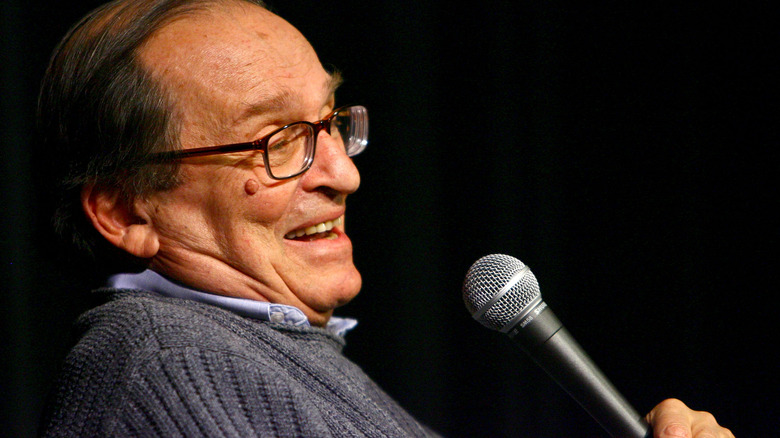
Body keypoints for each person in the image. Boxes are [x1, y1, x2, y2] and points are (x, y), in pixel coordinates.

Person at [37, 0, 734, 436]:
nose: (343, 173)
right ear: (126, 210)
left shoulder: (262, 356)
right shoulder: (171, 367)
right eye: (275, 142)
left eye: (329, 122)